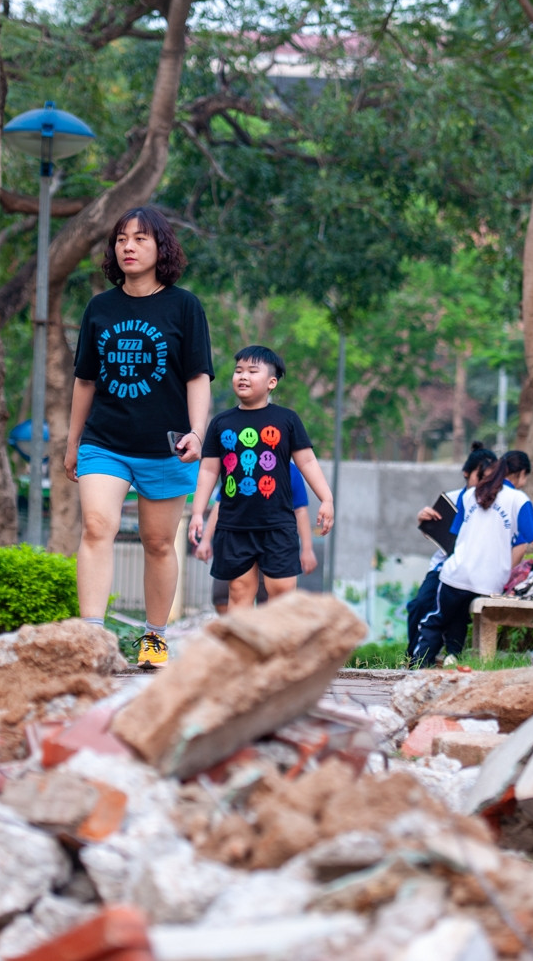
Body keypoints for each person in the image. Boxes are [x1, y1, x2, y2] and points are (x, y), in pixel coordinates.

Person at [65, 207, 214, 667]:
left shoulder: (184, 306)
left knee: (158, 543)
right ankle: (93, 637)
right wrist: (73, 443)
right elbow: (85, 381)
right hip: (104, 442)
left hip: (165, 446)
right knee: (97, 527)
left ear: (160, 248)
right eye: (121, 239)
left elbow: (197, 376)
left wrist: (197, 433)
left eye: (140, 239)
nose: (128, 247)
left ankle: (154, 637)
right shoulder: (100, 308)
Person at [188, 346, 334, 612]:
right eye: (238, 371)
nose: (243, 376)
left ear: (271, 382)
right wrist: (198, 513)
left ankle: (278, 641)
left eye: (252, 371)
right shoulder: (221, 423)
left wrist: (326, 498)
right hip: (234, 525)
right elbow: (208, 471)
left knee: (281, 594)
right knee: (239, 591)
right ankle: (244, 641)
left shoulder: (287, 420)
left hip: (277, 524)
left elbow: (307, 461)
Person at [411, 451, 533, 665]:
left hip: (458, 574)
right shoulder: (519, 499)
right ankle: (453, 658)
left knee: (436, 620)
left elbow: (455, 531)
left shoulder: (471, 494)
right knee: (459, 617)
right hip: (489, 583)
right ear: (522, 474)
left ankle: (418, 664)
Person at [405, 444, 498, 659]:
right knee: (419, 605)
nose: (484, 483)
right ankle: (413, 658)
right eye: (481, 476)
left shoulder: (495, 504)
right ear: (466, 473)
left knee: (454, 614)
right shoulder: (453, 498)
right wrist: (424, 520)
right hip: (444, 565)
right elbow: (436, 533)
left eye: (490, 478)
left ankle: (447, 657)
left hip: (472, 570)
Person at [205, 460, 316, 611]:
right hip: (239, 537)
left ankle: (266, 625)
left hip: (274, 541)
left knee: (273, 598)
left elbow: (300, 510)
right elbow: (220, 504)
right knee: (225, 596)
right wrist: (205, 539)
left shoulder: (290, 470)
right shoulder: (240, 465)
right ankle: (237, 625)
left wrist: (307, 549)